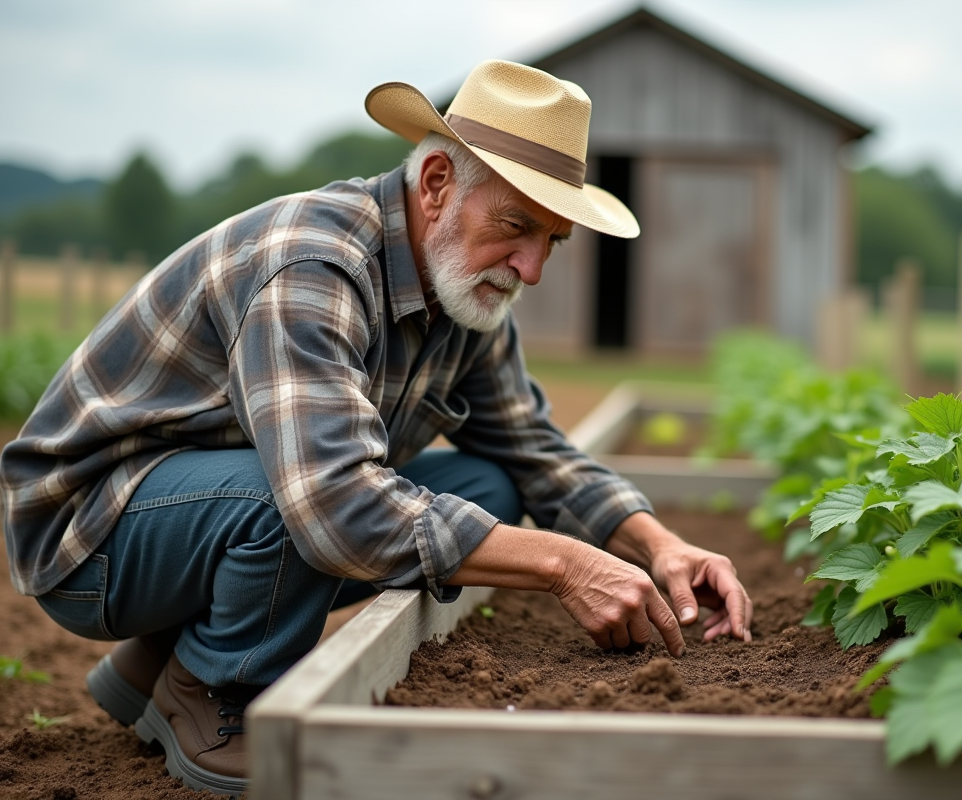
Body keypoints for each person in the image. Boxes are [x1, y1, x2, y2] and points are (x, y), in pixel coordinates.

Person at [0, 60, 752, 794]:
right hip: (89, 533)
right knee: (294, 501)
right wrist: (565, 564)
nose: (530, 270)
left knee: (488, 483)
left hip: (200, 511)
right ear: (435, 185)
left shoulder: (467, 290)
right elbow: (332, 504)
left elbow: (533, 452)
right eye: (516, 226)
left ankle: (156, 656)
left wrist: (658, 546)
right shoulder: (313, 264)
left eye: (551, 240)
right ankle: (212, 689)